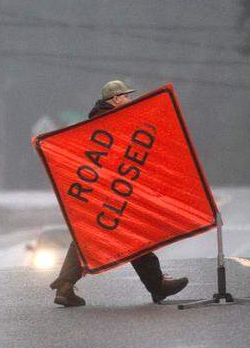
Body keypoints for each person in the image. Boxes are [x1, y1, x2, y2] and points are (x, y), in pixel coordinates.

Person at [49, 80, 189, 307]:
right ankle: (158, 285)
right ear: (114, 100)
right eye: (125, 96)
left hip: (105, 192)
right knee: (133, 237)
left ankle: (65, 287)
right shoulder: (112, 123)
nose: (130, 100)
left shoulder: (96, 124)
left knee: (92, 238)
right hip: (113, 192)